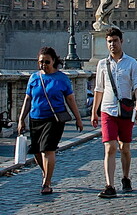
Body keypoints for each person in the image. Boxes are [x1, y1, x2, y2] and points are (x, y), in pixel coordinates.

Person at [17, 47, 84, 195]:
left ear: (54, 61)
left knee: (48, 149)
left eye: (47, 62)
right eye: (41, 62)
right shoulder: (34, 78)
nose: (44, 65)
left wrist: (78, 119)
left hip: (54, 119)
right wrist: (21, 119)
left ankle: (46, 183)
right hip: (36, 118)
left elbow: (71, 100)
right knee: (36, 151)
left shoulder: (62, 79)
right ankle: (46, 172)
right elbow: (28, 99)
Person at [91, 27, 137, 198]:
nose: (112, 44)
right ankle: (109, 186)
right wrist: (94, 112)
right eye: (109, 41)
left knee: (125, 148)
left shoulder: (131, 63)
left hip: (126, 111)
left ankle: (126, 177)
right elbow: (98, 89)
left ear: (121, 41)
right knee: (110, 147)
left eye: (115, 41)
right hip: (107, 110)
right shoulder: (102, 65)